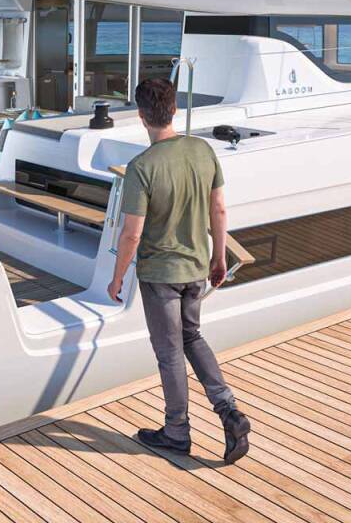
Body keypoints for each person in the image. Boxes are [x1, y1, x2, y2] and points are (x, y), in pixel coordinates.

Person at [107, 78, 250, 465]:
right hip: (196, 268)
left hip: (160, 275)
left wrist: (117, 277)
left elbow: (132, 233)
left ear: (141, 116)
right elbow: (218, 209)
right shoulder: (202, 150)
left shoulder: (142, 167)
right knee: (192, 337)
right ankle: (229, 411)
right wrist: (219, 258)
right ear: (173, 110)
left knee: (169, 353)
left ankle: (176, 432)